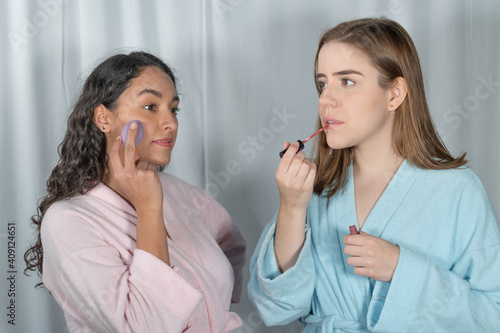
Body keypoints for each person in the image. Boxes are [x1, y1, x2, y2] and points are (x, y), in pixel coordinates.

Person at [248, 18, 500, 332]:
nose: (326, 98)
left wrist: (402, 269)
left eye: (347, 81)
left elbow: (492, 315)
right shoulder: (315, 189)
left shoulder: (457, 190)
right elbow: (277, 307)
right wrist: (291, 207)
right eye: (322, 83)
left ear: (394, 94)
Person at [24, 51, 246, 332]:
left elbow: (232, 243)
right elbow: (145, 327)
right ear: (103, 118)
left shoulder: (180, 193)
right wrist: (149, 208)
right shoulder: (67, 222)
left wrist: (212, 308)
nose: (171, 123)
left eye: (173, 108)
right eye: (151, 106)